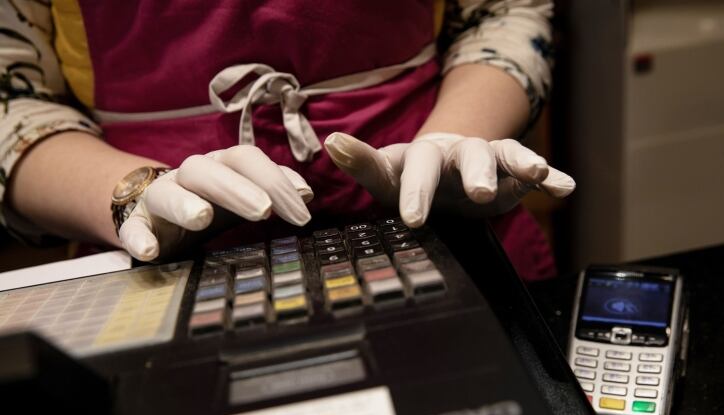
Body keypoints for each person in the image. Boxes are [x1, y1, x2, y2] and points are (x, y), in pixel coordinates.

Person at [0, 0, 574, 280]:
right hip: (159, 275)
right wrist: (132, 195)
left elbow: (499, 13)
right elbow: (10, 96)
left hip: (441, 239)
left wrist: (455, 138)